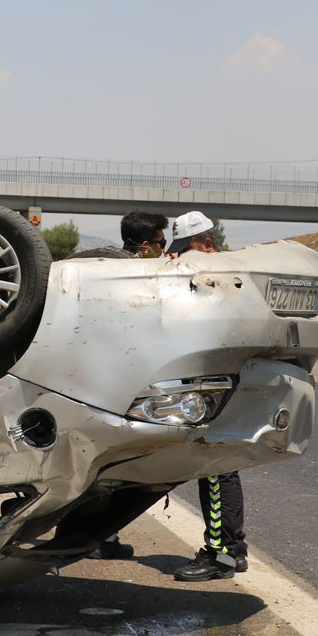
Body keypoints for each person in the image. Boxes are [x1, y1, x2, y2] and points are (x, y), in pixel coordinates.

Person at [69, 210, 170, 559]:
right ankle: (94, 537)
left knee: (89, 464)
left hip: (84, 379)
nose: (163, 249)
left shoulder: (96, 269)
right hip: (118, 386)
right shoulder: (138, 278)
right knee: (117, 469)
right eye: (160, 243)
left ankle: (82, 535)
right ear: (144, 246)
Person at [166, 210, 249, 581]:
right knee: (219, 469)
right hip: (218, 384)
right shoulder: (213, 277)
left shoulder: (222, 281)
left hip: (220, 385)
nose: (179, 257)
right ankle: (232, 550)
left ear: (207, 245)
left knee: (216, 469)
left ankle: (223, 555)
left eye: (186, 249)